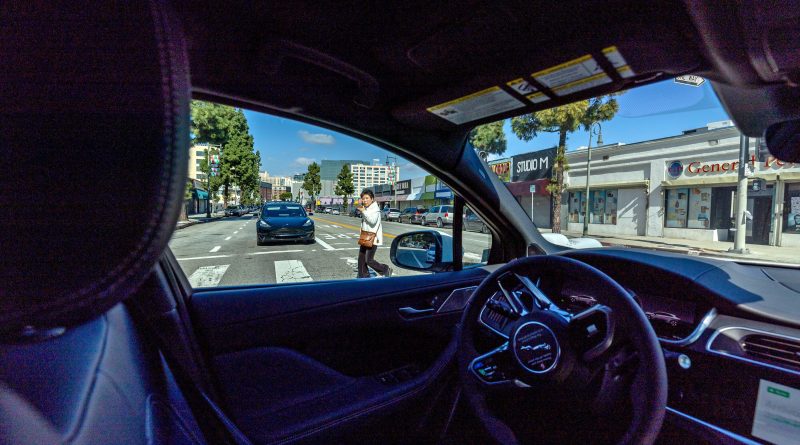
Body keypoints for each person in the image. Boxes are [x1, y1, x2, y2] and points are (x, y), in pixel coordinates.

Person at [357, 189, 392, 278]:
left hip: (372, 238)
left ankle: (385, 269)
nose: (364, 200)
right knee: (361, 258)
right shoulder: (367, 208)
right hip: (365, 236)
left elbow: (372, 221)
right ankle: (363, 275)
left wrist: (363, 212)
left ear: (372, 199)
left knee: (368, 260)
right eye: (363, 199)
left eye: (367, 198)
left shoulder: (375, 209)